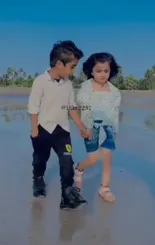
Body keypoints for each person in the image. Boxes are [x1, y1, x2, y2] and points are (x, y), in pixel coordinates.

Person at [28, 40, 91, 209]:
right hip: (42, 130)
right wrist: (35, 130)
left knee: (67, 161)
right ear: (59, 64)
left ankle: (67, 194)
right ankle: (39, 180)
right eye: (72, 66)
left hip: (62, 131)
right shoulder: (40, 81)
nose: (74, 71)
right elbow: (33, 108)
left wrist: (81, 127)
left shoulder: (68, 84)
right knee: (41, 159)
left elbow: (71, 108)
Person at [74, 52, 121, 203]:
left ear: (111, 71)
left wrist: (115, 131)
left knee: (107, 158)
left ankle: (104, 188)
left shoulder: (114, 91)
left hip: (109, 129)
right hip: (92, 128)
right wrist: (85, 128)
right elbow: (85, 109)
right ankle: (80, 168)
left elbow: (114, 113)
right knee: (94, 158)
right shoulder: (86, 87)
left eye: (106, 71)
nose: (102, 74)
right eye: (98, 71)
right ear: (91, 71)